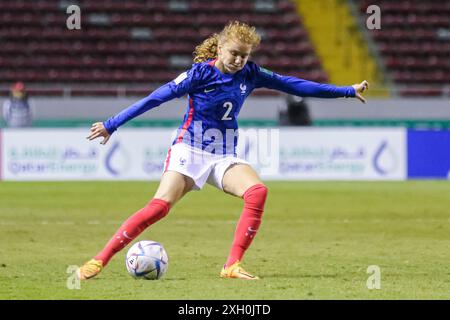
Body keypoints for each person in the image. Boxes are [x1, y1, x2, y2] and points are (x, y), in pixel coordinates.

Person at [77, 21, 369, 280]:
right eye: (234, 53)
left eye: (244, 55)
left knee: (257, 192)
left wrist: (346, 90)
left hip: (224, 155)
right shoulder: (198, 75)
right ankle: (99, 260)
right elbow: (155, 99)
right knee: (159, 207)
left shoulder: (251, 73)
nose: (239, 60)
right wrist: (112, 124)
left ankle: (232, 265)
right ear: (220, 48)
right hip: (189, 150)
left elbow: (294, 85)